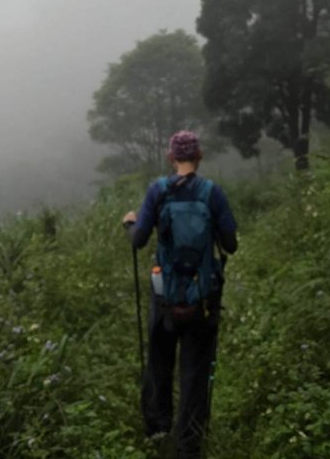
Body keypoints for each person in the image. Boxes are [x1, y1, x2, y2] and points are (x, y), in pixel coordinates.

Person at [122, 130, 237, 459]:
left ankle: (158, 429)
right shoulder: (212, 193)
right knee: (195, 370)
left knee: (159, 361)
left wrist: (130, 223)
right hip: (202, 297)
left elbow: (139, 240)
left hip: (165, 296)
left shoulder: (158, 191)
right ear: (198, 157)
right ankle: (188, 445)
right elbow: (230, 245)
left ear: (172, 158)